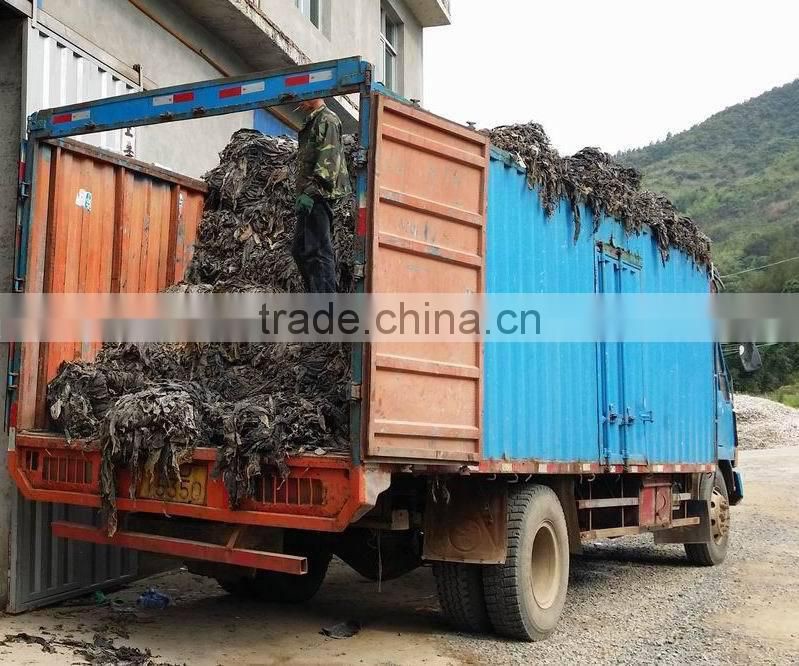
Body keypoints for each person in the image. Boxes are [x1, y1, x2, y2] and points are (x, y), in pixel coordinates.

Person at [293, 98, 351, 293]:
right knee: (300, 249)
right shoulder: (313, 120)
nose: (300, 104)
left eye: (303, 98)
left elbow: (329, 162)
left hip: (319, 194)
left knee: (317, 250)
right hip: (310, 194)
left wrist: (311, 192)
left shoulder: (328, 119)